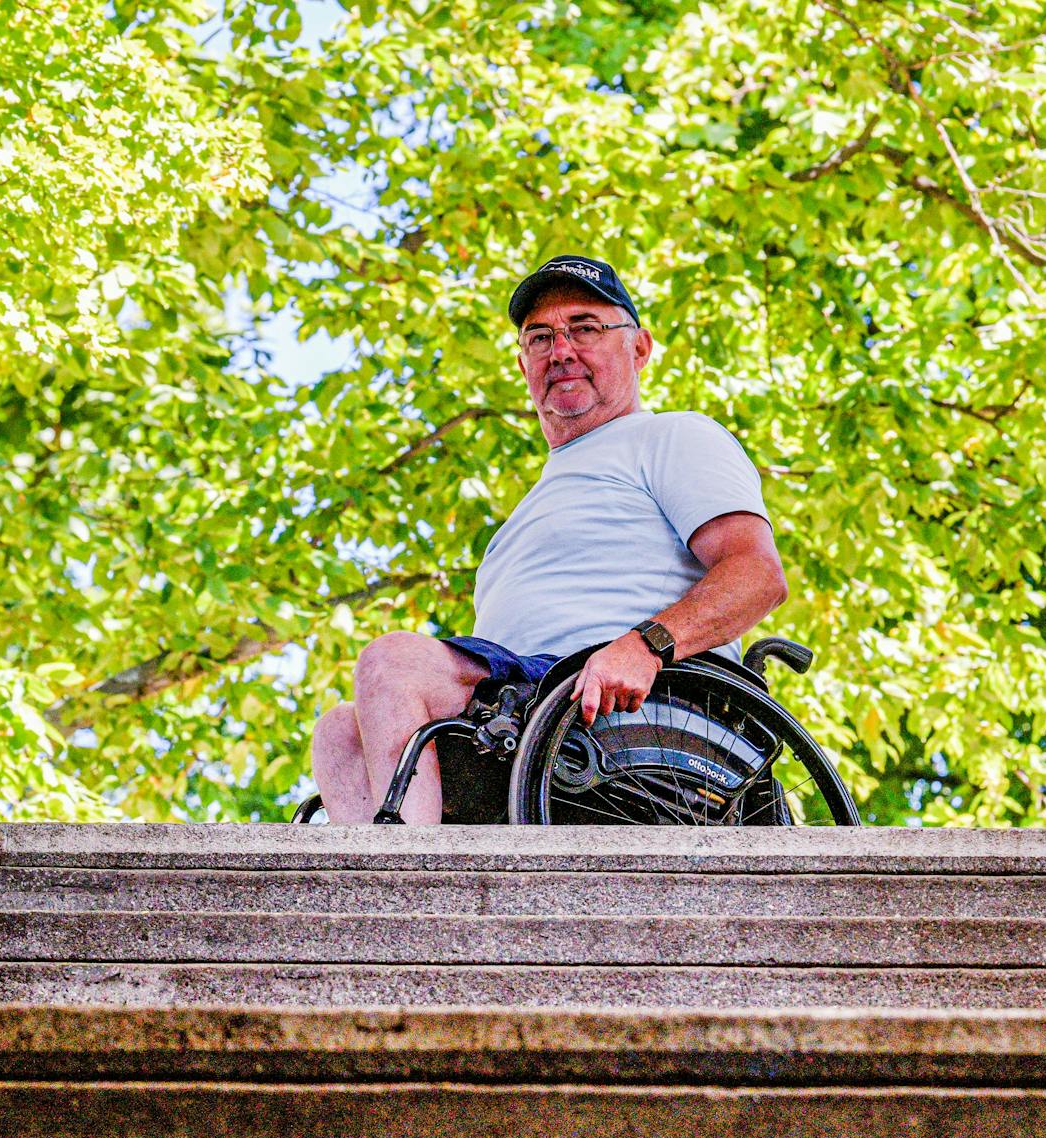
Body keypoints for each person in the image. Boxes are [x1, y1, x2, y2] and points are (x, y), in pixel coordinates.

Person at [308, 255, 790, 824]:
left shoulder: (671, 437)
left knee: (392, 663)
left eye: (586, 328)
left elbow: (756, 576)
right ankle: (398, 890)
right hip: (525, 716)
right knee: (340, 733)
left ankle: (411, 888)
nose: (561, 350)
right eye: (540, 337)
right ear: (523, 362)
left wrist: (646, 646)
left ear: (639, 348)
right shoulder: (525, 518)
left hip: (632, 708)